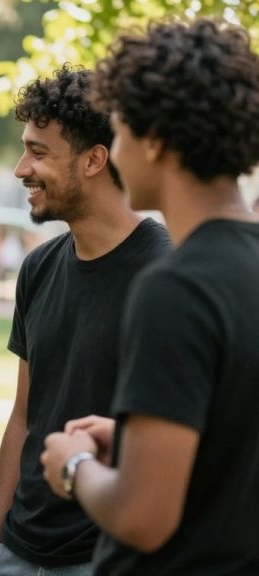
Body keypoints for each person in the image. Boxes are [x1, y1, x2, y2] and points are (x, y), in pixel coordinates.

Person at [40, 19, 259, 574]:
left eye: (121, 126)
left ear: (155, 138)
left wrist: (74, 465)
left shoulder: (174, 287)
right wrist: (137, 439)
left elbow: (143, 516)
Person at [0, 65, 171, 575]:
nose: (21, 169)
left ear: (93, 160)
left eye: (39, 152)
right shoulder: (38, 268)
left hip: (110, 555)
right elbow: (24, 414)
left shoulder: (170, 274)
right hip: (18, 553)